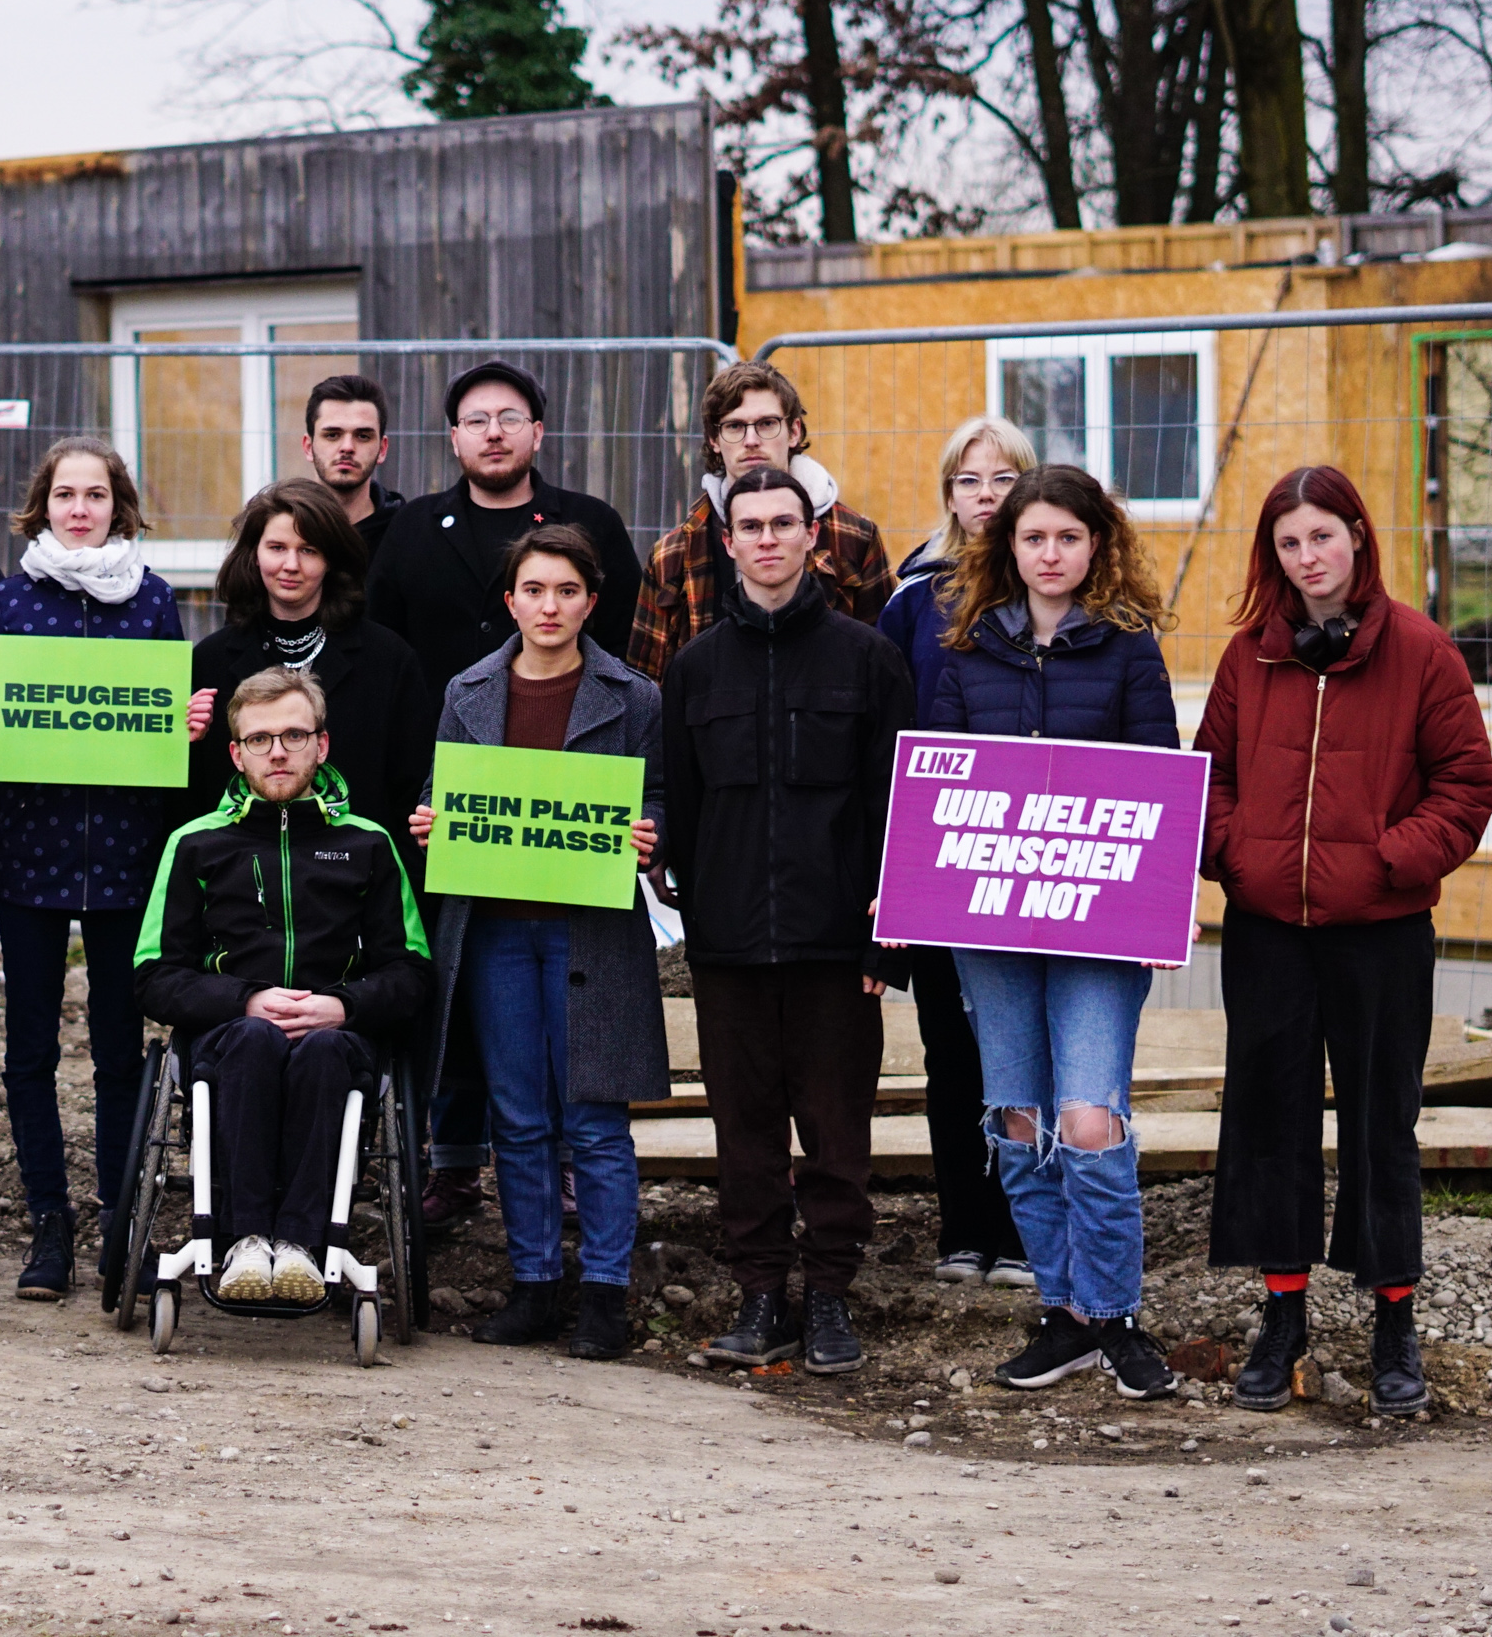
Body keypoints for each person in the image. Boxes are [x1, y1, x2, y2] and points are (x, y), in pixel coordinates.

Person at [1199, 467, 1492, 1417]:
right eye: (1289, 543)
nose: (1307, 558)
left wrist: (1389, 862)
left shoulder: (1420, 651)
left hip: (1381, 933)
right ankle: (1282, 1314)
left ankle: (1392, 1317)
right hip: (1268, 932)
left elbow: (1465, 785)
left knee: (1381, 1126)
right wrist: (1237, 856)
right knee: (1268, 1118)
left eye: (1322, 536)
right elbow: (1207, 777)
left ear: (1358, 537)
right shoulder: (1254, 655)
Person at [926, 463, 1184, 1400]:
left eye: (1067, 538)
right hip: (990, 929)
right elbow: (940, 788)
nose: (1049, 554)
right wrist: (908, 889)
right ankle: (1067, 1313)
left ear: (1096, 545)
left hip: (1097, 926)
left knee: (1087, 1119)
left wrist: (1159, 902)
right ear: (1009, 547)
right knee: (1020, 1121)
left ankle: (1113, 1315)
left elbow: (1159, 782)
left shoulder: (1128, 650)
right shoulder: (966, 649)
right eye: (1033, 538)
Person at [365, 359, 641, 1225]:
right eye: (476, 419)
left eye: (510, 417)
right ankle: (454, 1163)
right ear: (452, 438)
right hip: (452, 798)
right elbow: (387, 649)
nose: (493, 431)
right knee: (461, 984)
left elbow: (625, 650)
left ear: (537, 433)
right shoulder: (411, 532)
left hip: (571, 810)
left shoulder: (589, 524)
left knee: (563, 1002)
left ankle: (563, 1168)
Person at [0, 437, 216, 1300]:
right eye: (65, 494)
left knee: (116, 1050)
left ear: (118, 505)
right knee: (27, 1049)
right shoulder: (10, 596)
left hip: (124, 856)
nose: (79, 508)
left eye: (95, 494)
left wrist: (181, 726)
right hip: (30, 851)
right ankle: (48, 1227)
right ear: (42, 505)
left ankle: (117, 1217)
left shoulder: (149, 601)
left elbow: (159, 716)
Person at [662, 467, 910, 1375]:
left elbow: (899, 811)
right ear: (726, 543)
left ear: (814, 536)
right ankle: (761, 1294)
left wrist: (890, 938)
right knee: (746, 1131)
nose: (767, 539)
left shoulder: (870, 660)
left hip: (838, 945)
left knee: (837, 1130)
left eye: (784, 523)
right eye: (750, 525)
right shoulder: (693, 671)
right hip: (728, 947)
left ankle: (832, 1298)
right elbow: (678, 815)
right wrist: (689, 908)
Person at [407, 525, 667, 1360]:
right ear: (511, 600)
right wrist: (428, 819)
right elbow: (439, 789)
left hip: (589, 928)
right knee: (516, 1118)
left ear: (591, 601)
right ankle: (533, 1286)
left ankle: (604, 1294)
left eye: (565, 591)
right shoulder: (468, 691)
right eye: (533, 590)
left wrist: (650, 831)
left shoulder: (634, 697)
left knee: (593, 1119)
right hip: (494, 933)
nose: (548, 606)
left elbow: (658, 793)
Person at [135, 666, 432, 1302]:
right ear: (236, 753)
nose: (278, 751)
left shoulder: (369, 844)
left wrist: (341, 1007)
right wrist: (243, 999)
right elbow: (154, 974)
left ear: (321, 745)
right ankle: (242, 1243)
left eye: (294, 735)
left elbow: (411, 974)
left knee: (322, 1051)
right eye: (260, 738)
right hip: (226, 1040)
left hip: (338, 1041)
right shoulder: (195, 844)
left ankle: (299, 1246)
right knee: (252, 1040)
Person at [873, 415, 1039, 1291]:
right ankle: (964, 1227)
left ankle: (1023, 1227)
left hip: (1031, 865)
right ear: (948, 495)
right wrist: (894, 880)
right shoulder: (912, 601)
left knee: (1021, 1050)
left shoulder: (1056, 584)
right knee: (951, 1048)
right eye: (968, 481)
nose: (985, 497)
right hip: (942, 864)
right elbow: (888, 745)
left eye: (1002, 479)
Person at [187, 478, 433, 855]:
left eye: (309, 550)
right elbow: (191, 798)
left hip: (357, 885)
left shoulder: (389, 660)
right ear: (254, 554)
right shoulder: (210, 662)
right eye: (277, 548)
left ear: (331, 560)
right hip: (237, 888)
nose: (291, 565)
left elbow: (412, 793)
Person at [628, 358, 891, 684]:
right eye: (735, 427)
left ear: (794, 431)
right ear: (714, 439)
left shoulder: (854, 537)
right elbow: (645, 689)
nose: (751, 440)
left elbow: (883, 669)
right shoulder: (672, 554)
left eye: (767, 423)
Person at [300, 375, 406, 559]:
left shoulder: (408, 534)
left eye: (363, 436)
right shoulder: (284, 532)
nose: (347, 447)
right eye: (332, 435)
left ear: (382, 449)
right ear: (308, 447)